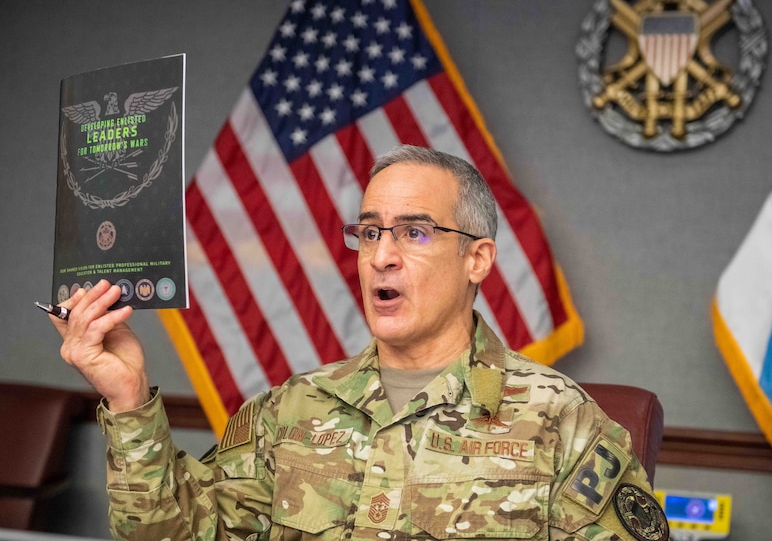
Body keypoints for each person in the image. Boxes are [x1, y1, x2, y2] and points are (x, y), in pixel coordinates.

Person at [50, 145, 668, 540]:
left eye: (415, 233)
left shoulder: (561, 422)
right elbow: (175, 534)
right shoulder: (291, 409)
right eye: (369, 233)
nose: (383, 257)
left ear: (477, 258)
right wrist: (128, 397)